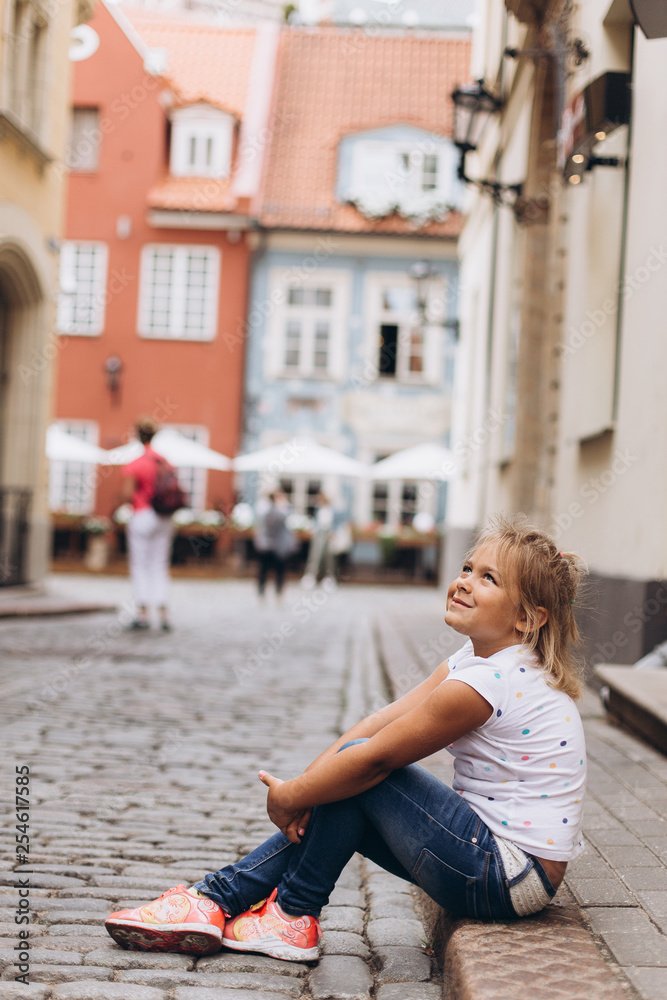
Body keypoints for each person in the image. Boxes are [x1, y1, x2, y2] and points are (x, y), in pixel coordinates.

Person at [105, 514, 587, 961]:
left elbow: (375, 759)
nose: (463, 581)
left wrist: (293, 795)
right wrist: (311, 781)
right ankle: (242, 905)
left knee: (363, 772)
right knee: (346, 779)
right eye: (467, 567)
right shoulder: (473, 661)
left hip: (507, 876)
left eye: (488, 578)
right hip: (488, 862)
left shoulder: (491, 682)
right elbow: (383, 719)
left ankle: (256, 905)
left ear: (528, 618)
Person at [121, 417, 175, 631]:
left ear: (137, 436)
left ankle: (142, 614)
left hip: (142, 514)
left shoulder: (136, 464)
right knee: (159, 565)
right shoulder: (165, 461)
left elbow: (127, 494)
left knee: (140, 565)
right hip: (164, 516)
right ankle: (163, 614)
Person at [253, 491, 295, 598]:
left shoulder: (264, 509)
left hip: (268, 545)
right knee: (276, 570)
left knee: (265, 570)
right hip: (276, 545)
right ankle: (276, 592)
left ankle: (264, 592)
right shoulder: (275, 510)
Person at [301, 491, 335, 588]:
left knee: (328, 556)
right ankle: (310, 576)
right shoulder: (318, 508)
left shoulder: (331, 509)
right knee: (315, 555)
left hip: (327, 533)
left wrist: (331, 532)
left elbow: (333, 522)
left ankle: (329, 578)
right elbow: (316, 521)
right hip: (319, 533)